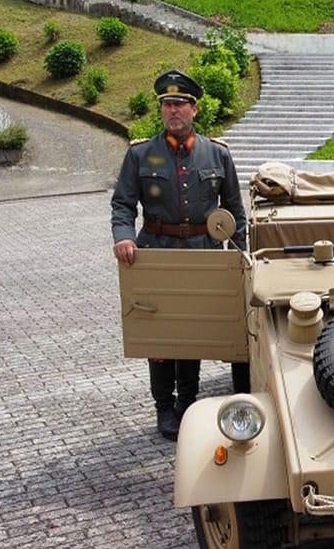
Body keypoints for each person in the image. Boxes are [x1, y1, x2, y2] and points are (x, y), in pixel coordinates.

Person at [111, 69, 247, 441]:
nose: (174, 111)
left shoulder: (217, 154)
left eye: (180, 105)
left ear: (194, 109)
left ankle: (188, 403)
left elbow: (235, 210)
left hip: (203, 252)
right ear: (162, 110)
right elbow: (123, 204)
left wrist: (242, 257)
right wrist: (124, 237)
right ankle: (163, 407)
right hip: (156, 252)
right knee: (158, 332)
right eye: (168, 104)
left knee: (193, 330)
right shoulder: (141, 154)